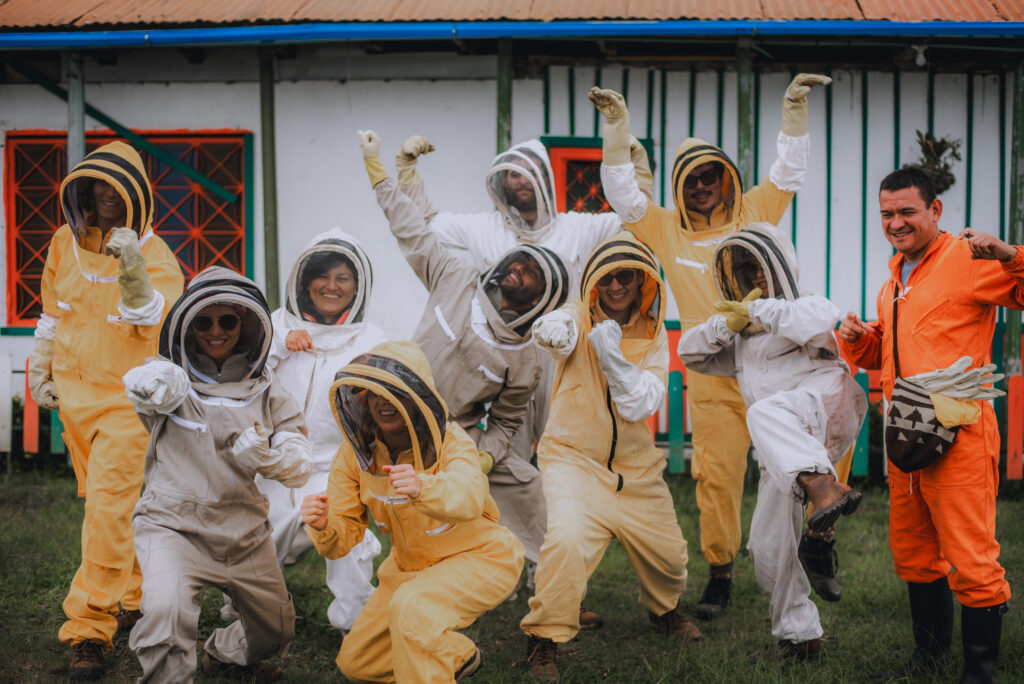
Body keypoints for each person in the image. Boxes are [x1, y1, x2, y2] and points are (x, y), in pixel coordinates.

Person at [591, 74, 830, 619]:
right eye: (690, 179)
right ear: (679, 187)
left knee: (801, 462)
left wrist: (794, 108)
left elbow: (788, 170)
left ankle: (811, 551)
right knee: (716, 478)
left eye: (709, 176)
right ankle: (720, 574)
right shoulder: (665, 227)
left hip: (774, 370)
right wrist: (616, 129)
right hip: (712, 372)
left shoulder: (754, 209)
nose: (700, 185)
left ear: (726, 179)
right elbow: (623, 195)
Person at [358, 130, 568, 587]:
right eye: (517, 262)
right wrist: (380, 173)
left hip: (456, 433)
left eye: (531, 274)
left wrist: (488, 458)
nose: (517, 270)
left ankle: (550, 577)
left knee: (528, 487)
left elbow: (507, 423)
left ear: (542, 298)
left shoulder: (527, 359)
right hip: (392, 410)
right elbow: (413, 231)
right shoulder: (455, 275)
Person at [838, 167, 1018, 683]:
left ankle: (978, 674)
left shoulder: (967, 259)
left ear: (934, 211)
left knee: (971, 558)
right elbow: (887, 357)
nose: (895, 222)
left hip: (959, 435)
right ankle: (930, 659)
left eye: (906, 211)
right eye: (887, 214)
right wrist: (857, 338)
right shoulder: (894, 278)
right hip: (908, 437)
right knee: (916, 553)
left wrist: (1008, 254)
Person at [26, 141, 184, 678]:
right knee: (107, 510)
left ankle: (89, 627)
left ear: (137, 195)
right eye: (99, 185)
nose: (108, 194)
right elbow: (53, 312)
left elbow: (150, 318)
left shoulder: (158, 257)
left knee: (108, 512)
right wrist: (40, 367)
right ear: (83, 190)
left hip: (126, 402)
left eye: (119, 187)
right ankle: (135, 597)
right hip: (74, 398)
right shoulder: (61, 243)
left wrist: (133, 264)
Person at [678, 222, 867, 660]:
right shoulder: (741, 339)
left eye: (760, 266)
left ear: (779, 264)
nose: (754, 276)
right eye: (746, 269)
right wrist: (728, 326)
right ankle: (801, 636)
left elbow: (820, 318)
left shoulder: (805, 305)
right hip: (784, 452)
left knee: (764, 411)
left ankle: (824, 489)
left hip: (825, 412)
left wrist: (763, 311)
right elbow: (691, 352)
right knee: (766, 550)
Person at [521, 232, 701, 682]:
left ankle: (663, 611)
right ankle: (543, 638)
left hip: (638, 470)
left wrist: (611, 355)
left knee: (672, 559)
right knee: (564, 543)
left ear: (644, 283)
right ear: (594, 281)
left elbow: (643, 402)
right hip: (573, 460)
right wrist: (556, 328)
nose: (617, 285)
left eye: (627, 276)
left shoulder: (656, 334)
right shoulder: (576, 316)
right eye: (608, 277)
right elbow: (557, 334)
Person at [122, 266, 312, 682]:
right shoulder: (170, 380)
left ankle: (225, 654)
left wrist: (271, 459)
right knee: (164, 615)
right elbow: (146, 387)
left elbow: (298, 457)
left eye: (227, 320)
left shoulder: (268, 388)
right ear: (188, 324)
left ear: (244, 324)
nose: (215, 331)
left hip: (243, 533)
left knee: (276, 631)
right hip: (172, 527)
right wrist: (148, 381)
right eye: (204, 321)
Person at [301, 341, 524, 683]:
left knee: (414, 610)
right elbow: (342, 538)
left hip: (482, 557)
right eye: (374, 392)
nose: (382, 402)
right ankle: (458, 655)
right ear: (362, 398)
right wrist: (322, 525)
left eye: (395, 392)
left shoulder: (452, 440)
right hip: (407, 570)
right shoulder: (353, 455)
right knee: (357, 663)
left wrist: (424, 487)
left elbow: (469, 496)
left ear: (419, 398)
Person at [245, 228, 385, 633]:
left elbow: (385, 403)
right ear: (304, 281)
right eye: (323, 276)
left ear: (357, 286)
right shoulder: (273, 324)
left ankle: (358, 628)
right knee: (253, 542)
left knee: (348, 543)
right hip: (271, 465)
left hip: (334, 469)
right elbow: (243, 378)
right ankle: (246, 616)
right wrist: (279, 344)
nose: (332, 286)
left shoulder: (371, 338)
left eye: (343, 278)